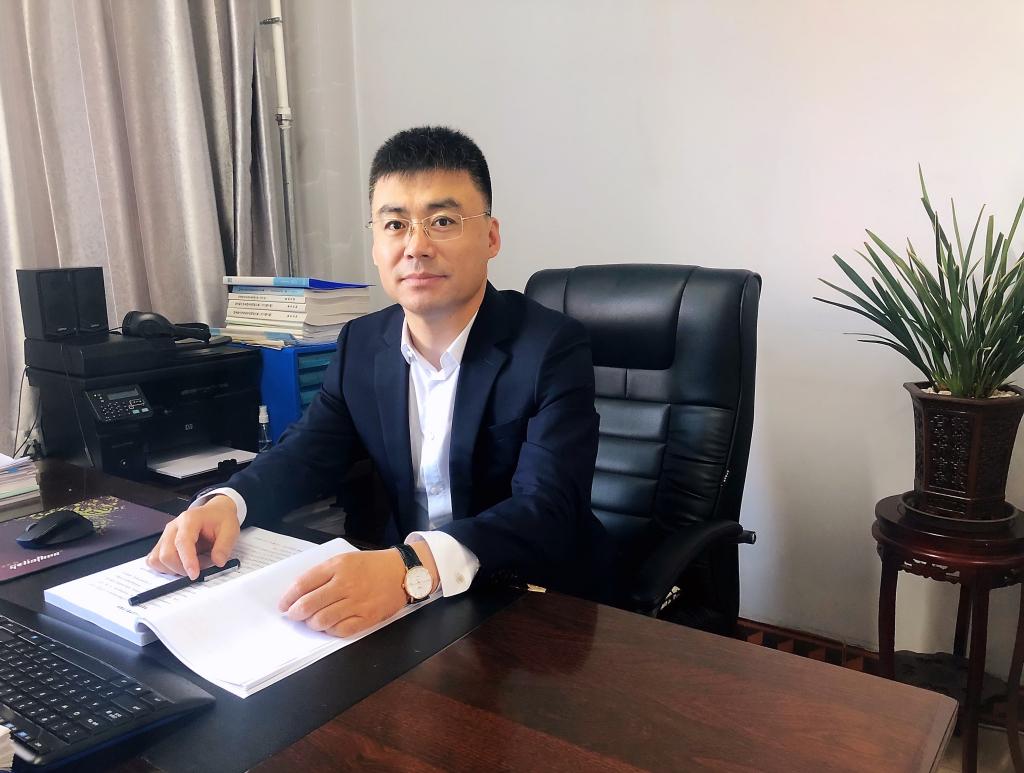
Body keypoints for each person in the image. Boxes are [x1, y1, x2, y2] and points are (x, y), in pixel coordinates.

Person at [147, 126, 610, 637]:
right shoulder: (362, 343)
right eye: (394, 224)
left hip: (530, 601)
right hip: (409, 602)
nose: (416, 246)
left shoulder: (551, 347)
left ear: (491, 237)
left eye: (443, 221)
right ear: (375, 242)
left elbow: (547, 508)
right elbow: (306, 453)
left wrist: (411, 567)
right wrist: (227, 503)